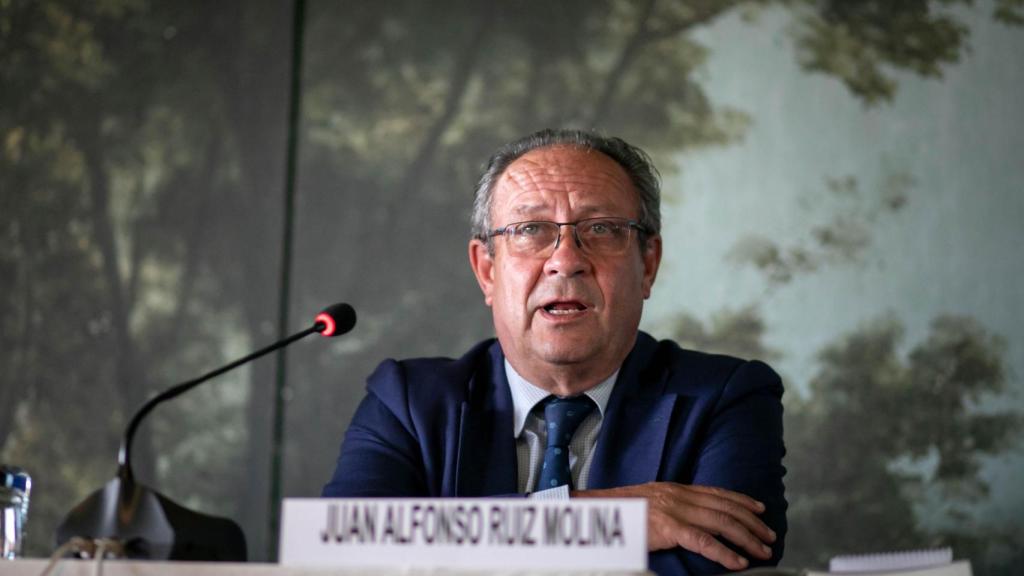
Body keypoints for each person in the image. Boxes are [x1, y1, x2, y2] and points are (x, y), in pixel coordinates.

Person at [323, 129, 786, 575]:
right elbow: (348, 556)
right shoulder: (406, 402)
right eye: (530, 229)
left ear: (647, 265)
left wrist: (452, 548)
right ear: (486, 270)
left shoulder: (727, 397)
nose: (566, 260)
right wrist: (606, 521)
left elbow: (725, 559)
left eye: (602, 228)